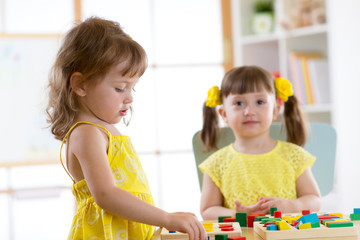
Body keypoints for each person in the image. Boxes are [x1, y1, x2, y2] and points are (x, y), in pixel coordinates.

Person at [46, 17, 206, 240]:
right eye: (120, 88)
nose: (130, 98)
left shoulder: (102, 129)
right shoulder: (87, 132)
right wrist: (166, 218)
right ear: (80, 84)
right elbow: (106, 195)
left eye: (133, 88)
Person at [199, 65, 321, 220]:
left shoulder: (294, 156)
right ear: (224, 114)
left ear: (275, 110)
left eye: (260, 101)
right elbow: (208, 211)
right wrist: (237, 215)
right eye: (238, 103)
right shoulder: (216, 164)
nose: (249, 111)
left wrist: (292, 206)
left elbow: (314, 199)